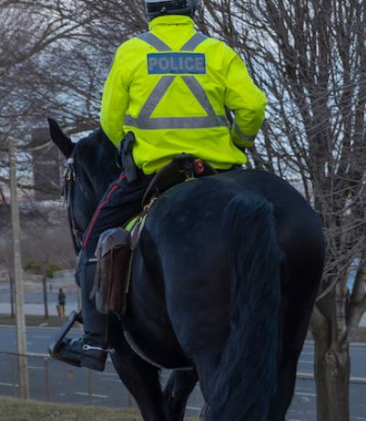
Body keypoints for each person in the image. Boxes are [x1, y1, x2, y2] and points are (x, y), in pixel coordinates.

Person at [50, 0, 267, 371]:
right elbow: (253, 107)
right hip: (217, 170)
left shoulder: (133, 52)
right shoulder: (217, 51)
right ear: (192, 10)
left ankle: (94, 341)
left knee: (94, 241)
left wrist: (130, 150)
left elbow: (110, 120)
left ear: (151, 11)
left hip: (154, 174)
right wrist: (239, 143)